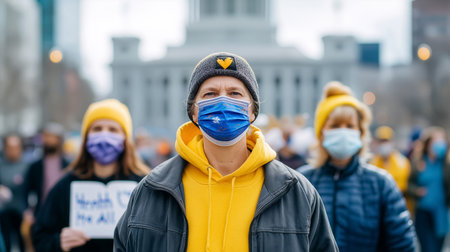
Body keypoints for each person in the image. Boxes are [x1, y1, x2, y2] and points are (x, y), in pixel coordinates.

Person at [115, 52, 338, 251]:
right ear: (194, 111)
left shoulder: (296, 192)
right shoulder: (152, 190)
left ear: (252, 111)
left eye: (235, 93)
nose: (223, 101)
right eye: (210, 94)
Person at [297, 82, 416, 251]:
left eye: (350, 126)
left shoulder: (381, 184)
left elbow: (402, 244)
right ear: (321, 133)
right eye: (335, 126)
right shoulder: (301, 182)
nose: (343, 131)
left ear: (360, 132)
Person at [32, 99, 150, 252]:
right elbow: (39, 237)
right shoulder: (66, 185)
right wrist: (58, 242)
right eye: (97, 128)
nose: (104, 135)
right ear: (86, 137)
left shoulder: (144, 185)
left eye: (113, 130)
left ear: (125, 139)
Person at [406, 127, 450, 252]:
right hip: (423, 213)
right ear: (428, 144)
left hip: (441, 213)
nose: (439, 145)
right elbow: (408, 186)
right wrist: (417, 191)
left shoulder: (446, 164)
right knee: (428, 248)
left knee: (437, 248)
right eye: (436, 141)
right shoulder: (419, 162)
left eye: (442, 141)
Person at [24, 123, 69, 215]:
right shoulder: (35, 166)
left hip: (63, 211)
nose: (47, 140)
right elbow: (27, 190)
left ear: (59, 139)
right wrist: (28, 211)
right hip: (41, 211)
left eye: (51, 136)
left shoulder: (68, 165)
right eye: (45, 136)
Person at [0, 134, 29, 252]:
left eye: (15, 147)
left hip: (22, 210)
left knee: (22, 241)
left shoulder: (27, 165)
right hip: (3, 211)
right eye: (10, 147)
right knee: (5, 242)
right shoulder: (1, 165)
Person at [370, 126, 411, 193]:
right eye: (381, 141)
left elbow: (403, 186)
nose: (383, 144)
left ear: (392, 142)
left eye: (386, 141)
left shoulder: (402, 162)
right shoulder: (372, 163)